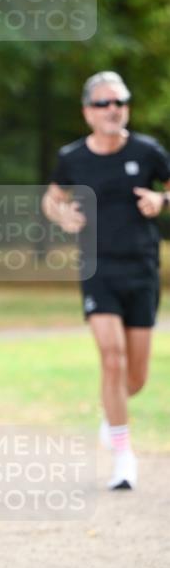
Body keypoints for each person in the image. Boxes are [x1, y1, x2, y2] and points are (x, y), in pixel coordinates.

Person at [42, 71, 170, 491]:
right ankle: (123, 455)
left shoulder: (148, 151)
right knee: (111, 360)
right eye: (103, 103)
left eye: (120, 101)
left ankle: (110, 416)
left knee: (135, 378)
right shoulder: (73, 157)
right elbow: (52, 198)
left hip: (143, 269)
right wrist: (64, 215)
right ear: (88, 112)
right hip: (98, 269)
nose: (113, 109)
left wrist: (161, 199)